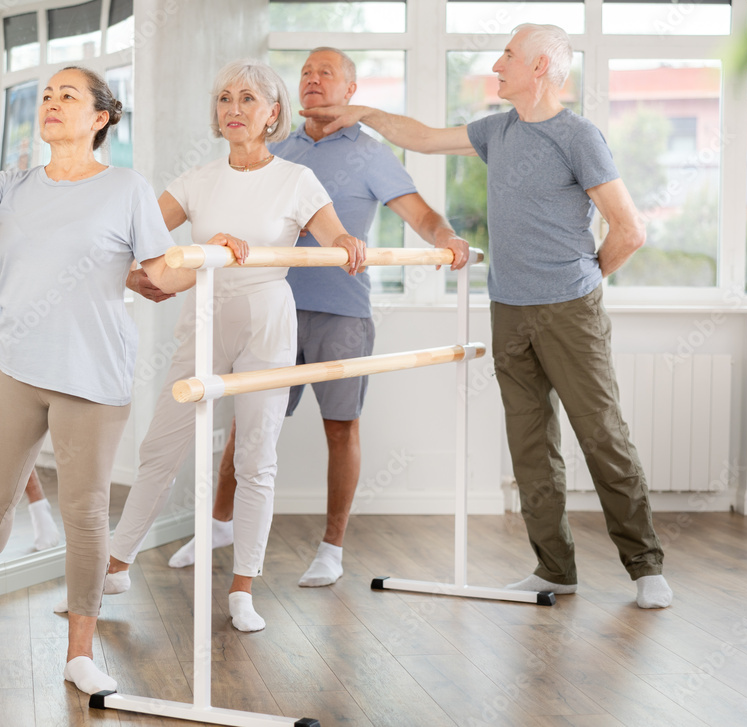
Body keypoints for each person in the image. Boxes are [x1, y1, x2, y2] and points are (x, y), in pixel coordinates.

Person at [301, 24, 672, 609]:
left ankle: (645, 565)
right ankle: (554, 567)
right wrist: (363, 111)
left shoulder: (578, 136)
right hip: (508, 309)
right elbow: (422, 139)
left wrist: (581, 281)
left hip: (569, 310)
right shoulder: (497, 130)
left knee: (601, 434)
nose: (496, 65)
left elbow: (630, 230)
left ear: (541, 67)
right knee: (529, 444)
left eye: (507, 56)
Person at [0, 66, 211, 694]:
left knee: (85, 512)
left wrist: (212, 255)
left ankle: (79, 651)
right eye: (46, 94)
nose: (52, 102)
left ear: (100, 118)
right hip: (16, 367)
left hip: (91, 376)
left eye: (69, 95)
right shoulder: (13, 184)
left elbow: (161, 272)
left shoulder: (125, 187)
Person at [164, 47, 471, 588]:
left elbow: (420, 214)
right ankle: (218, 524)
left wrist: (448, 241)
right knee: (247, 425)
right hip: (269, 306)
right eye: (305, 72)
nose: (312, 79)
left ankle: (332, 547)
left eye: (325, 72)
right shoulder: (272, 144)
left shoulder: (372, 155)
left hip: (340, 310)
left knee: (340, 426)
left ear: (350, 89)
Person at [99, 59, 365, 633]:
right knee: (161, 446)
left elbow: (335, 236)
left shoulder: (297, 180)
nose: (234, 108)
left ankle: (243, 588)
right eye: (225, 98)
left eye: (248, 98)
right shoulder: (196, 181)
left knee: (256, 458)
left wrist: (349, 244)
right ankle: (115, 564)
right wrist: (147, 277)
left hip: (269, 318)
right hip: (207, 315)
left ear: (273, 113)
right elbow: (135, 244)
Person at [0, 153, 60, 551]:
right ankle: (38, 513)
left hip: (36, 336)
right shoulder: (3, 184)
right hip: (8, 323)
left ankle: (40, 513)